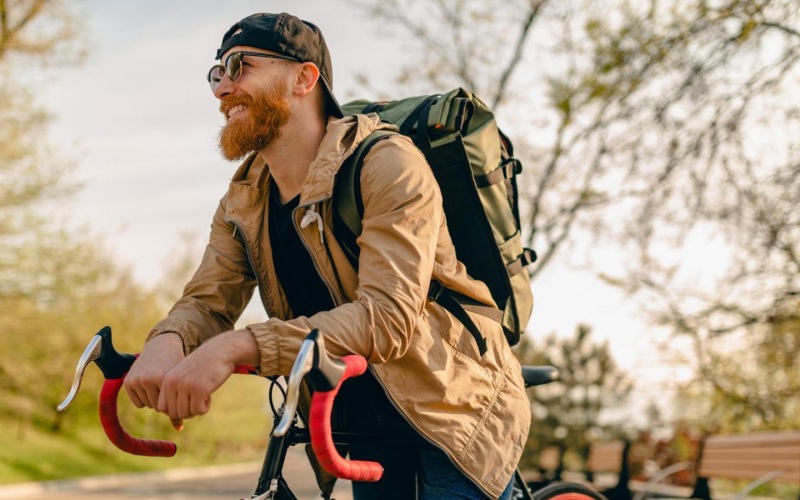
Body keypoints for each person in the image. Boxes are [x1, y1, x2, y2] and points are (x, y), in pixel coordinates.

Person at [123, 12, 530, 499]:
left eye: (239, 66)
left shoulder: (387, 163)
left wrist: (237, 346)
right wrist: (168, 341)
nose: (221, 89)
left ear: (304, 77)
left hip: (452, 408)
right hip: (359, 417)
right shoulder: (245, 197)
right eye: (216, 73)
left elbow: (386, 319)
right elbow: (208, 301)